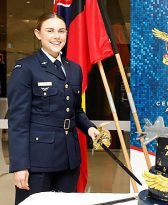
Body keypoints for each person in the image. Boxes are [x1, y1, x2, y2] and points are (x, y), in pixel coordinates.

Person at [7, 13, 100, 204]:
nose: (57, 36)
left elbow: (76, 111)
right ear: (38, 34)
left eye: (61, 31)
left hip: (69, 158)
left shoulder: (74, 69)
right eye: (50, 31)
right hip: (38, 160)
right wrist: (19, 165)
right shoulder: (25, 69)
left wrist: (89, 128)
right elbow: (18, 121)